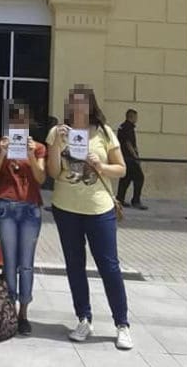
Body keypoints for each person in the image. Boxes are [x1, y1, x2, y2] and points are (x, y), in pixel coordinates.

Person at [46, 86, 133, 350]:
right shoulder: (58, 132)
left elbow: (121, 169)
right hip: (66, 208)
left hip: (99, 210)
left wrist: (101, 165)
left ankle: (122, 324)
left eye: (83, 105)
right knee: (75, 265)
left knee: (109, 266)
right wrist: (56, 145)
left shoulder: (104, 133)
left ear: (91, 106)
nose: (78, 110)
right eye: (74, 105)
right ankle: (84, 318)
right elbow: (51, 172)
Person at [0, 100, 46, 335]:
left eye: (22, 120)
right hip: (6, 206)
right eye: (14, 120)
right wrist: (2, 152)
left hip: (30, 208)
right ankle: (9, 308)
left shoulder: (38, 147)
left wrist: (31, 155)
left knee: (27, 264)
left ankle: (24, 311)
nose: (18, 124)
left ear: (28, 123)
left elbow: (41, 178)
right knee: (9, 262)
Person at [116, 109, 146, 210]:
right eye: (136, 117)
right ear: (131, 117)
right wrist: (135, 156)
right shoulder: (128, 128)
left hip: (123, 156)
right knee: (139, 178)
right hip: (129, 158)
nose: (136, 119)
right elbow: (128, 143)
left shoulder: (122, 126)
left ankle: (120, 199)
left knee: (126, 179)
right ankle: (136, 201)